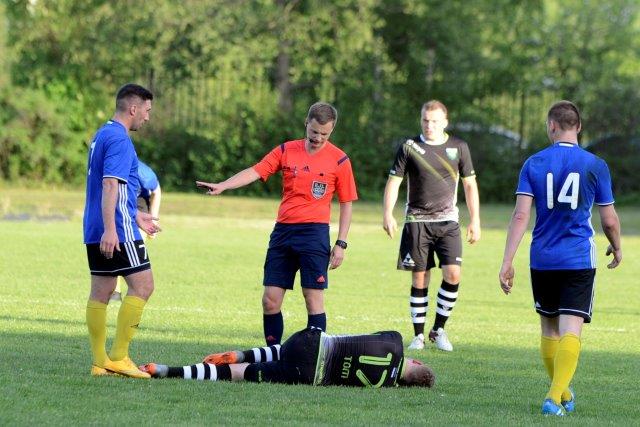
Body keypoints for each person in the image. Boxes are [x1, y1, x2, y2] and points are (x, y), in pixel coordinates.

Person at [196, 102, 358, 346]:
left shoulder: (340, 160)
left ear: (332, 130)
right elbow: (256, 170)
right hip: (283, 232)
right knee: (270, 300)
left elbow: (346, 204)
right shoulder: (287, 150)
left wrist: (341, 244)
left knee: (312, 298)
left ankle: (313, 356)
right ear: (306, 123)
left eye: (324, 134)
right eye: (314, 131)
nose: (318, 138)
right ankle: (273, 354)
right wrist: (223, 185)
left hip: (314, 234)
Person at [498, 100, 622, 416]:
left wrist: (507, 260)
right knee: (571, 331)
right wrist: (617, 245)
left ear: (551, 126)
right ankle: (554, 398)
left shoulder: (533, 163)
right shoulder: (595, 164)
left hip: (542, 258)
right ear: (578, 126)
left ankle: (563, 391)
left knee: (549, 330)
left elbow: (520, 215)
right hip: (578, 258)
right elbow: (609, 220)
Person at [382, 100, 480, 352]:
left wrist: (475, 220)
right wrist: (388, 214)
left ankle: (438, 329)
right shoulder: (409, 147)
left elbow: (470, 185)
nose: (429, 125)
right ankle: (418, 336)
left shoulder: (459, 147)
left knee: (453, 274)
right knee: (420, 277)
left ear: (445, 122)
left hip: (448, 222)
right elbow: (394, 182)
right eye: (425, 120)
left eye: (435, 121)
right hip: (417, 222)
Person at [83, 83, 161, 379]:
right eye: (147, 111)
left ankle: (99, 362)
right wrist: (112, 229)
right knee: (143, 286)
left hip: (96, 226)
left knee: (101, 292)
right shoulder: (119, 139)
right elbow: (109, 184)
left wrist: (136, 214)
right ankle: (118, 357)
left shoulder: (102, 134)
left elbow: (112, 187)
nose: (147, 117)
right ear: (133, 108)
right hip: (116, 229)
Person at [139, 328, 435, 388]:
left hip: (311, 341)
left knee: (283, 349)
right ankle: (170, 370)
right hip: (307, 374)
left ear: (417, 363)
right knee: (241, 374)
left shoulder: (395, 340)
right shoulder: (384, 385)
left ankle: (241, 353)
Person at [111, 160, 162, 301]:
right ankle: (115, 292)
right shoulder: (111, 168)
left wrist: (153, 218)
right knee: (115, 247)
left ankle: (137, 290)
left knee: (131, 249)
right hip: (117, 206)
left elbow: (156, 191)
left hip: (139, 206)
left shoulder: (144, 174)